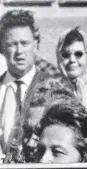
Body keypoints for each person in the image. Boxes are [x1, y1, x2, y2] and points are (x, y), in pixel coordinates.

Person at [0, 10, 58, 159]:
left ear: (35, 44)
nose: (19, 51)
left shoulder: (53, 87)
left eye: (25, 43)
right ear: (2, 48)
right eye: (12, 44)